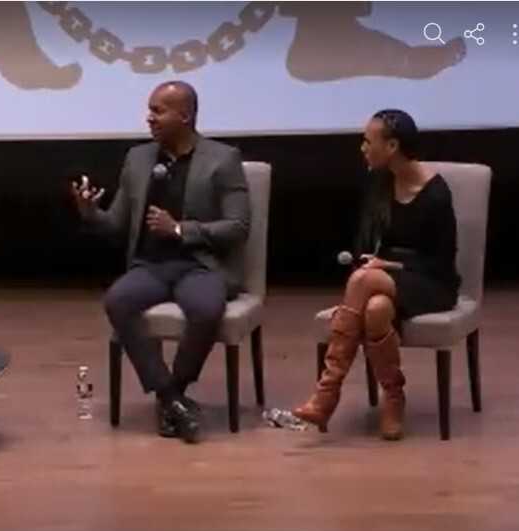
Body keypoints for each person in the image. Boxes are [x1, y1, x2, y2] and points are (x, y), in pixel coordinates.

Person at [71, 81, 250, 444]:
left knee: (206, 307)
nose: (148, 118)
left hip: (200, 265)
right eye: (149, 110)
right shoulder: (138, 159)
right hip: (151, 265)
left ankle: (175, 392)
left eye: (158, 111)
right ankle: (171, 399)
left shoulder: (222, 159)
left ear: (185, 116)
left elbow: (238, 226)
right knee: (118, 301)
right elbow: (118, 223)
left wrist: (181, 229)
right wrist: (91, 213)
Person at [279, 109, 459, 440]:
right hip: (383, 280)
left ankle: (326, 393)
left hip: (430, 282)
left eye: (368, 141)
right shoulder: (378, 182)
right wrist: (372, 259)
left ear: (392, 145)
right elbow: (370, 242)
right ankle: (394, 397)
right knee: (375, 310)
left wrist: (388, 267)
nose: (362, 148)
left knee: (365, 280)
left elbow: (442, 263)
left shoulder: (435, 193)